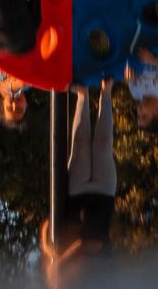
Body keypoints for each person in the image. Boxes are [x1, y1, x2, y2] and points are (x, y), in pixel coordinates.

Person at [41, 82, 118, 266]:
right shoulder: (103, 266)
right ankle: (106, 92)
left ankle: (82, 96)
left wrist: (48, 248)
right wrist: (62, 258)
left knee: (80, 145)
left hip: (77, 193)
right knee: (103, 144)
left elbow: (47, 225)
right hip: (104, 194)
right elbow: (91, 244)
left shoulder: (64, 259)